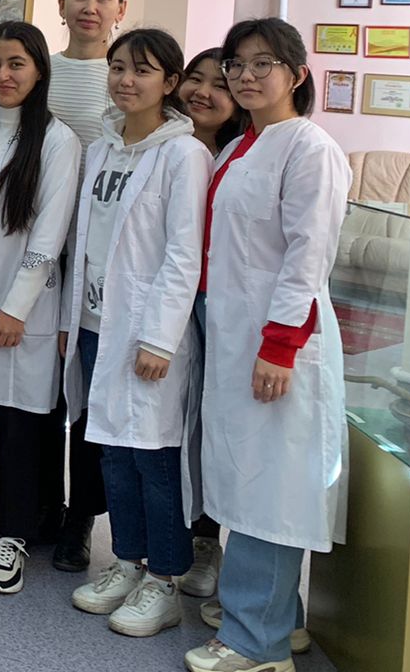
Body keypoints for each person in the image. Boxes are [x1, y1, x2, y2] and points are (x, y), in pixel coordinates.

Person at [185, 19, 349, 672]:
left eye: (264, 63)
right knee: (247, 476)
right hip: (233, 334)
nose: (246, 75)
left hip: (281, 341)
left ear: (297, 74)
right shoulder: (240, 146)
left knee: (271, 488)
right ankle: (278, 618)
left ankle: (258, 645)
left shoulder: (309, 147)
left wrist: (280, 345)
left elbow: (309, 256)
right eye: (237, 64)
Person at [61, 29, 207, 638]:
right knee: (111, 450)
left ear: (169, 83)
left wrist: (159, 339)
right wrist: (71, 320)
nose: (126, 80)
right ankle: (127, 561)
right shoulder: (102, 147)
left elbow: (183, 254)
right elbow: (85, 240)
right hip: (96, 323)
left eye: (142, 70)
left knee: (154, 454)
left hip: (147, 332)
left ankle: (165, 579)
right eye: (118, 68)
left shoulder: (183, 155)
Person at [0, 21, 80, 596]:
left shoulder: (58, 141)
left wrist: (16, 308)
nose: (3, 75)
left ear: (39, 71)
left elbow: (49, 235)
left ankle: (13, 532)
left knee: (20, 418)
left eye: (17, 64)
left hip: (21, 290)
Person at [46, 0, 128, 572]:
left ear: (120, 9)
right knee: (42, 393)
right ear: (63, 4)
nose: (90, 7)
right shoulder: (42, 71)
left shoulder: (125, 77)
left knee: (92, 397)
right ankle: (40, 508)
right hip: (41, 250)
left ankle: (81, 519)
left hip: (102, 258)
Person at [174, 45, 242, 598]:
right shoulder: (165, 145)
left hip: (218, 304)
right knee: (172, 422)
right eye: (195, 79)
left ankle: (205, 538)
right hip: (167, 301)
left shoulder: (237, 156)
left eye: (219, 84)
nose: (203, 92)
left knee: (209, 422)